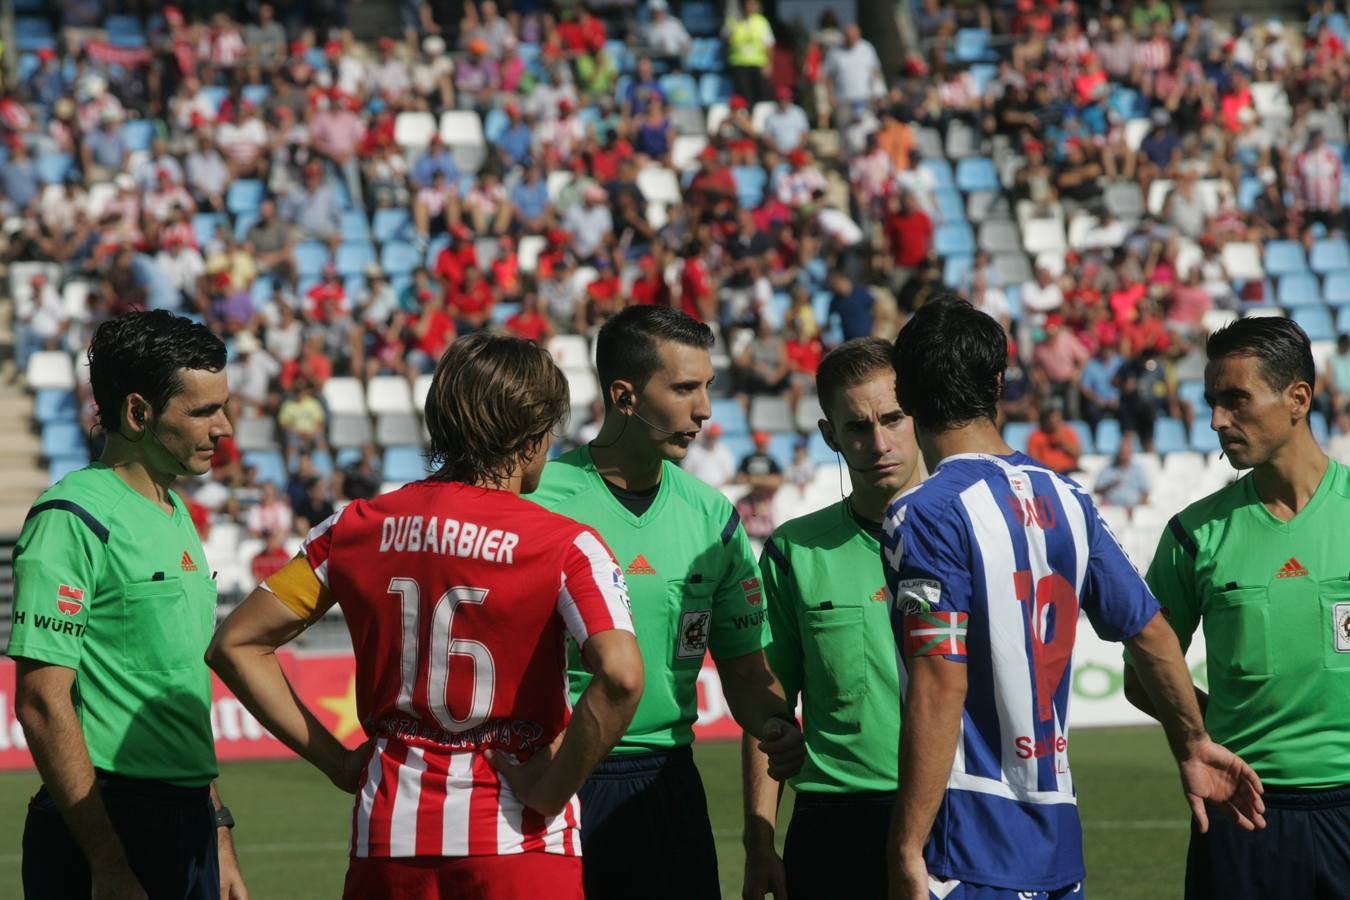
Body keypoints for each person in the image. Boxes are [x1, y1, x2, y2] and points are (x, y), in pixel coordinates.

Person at [207, 333, 644, 899]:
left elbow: (235, 644)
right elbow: (623, 675)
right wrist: (554, 789)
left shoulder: (355, 528)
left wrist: (340, 764)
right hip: (518, 839)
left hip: (388, 838)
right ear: (534, 435)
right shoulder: (565, 544)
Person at [884, 297, 1266, 899]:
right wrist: (1193, 743)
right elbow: (1151, 632)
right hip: (1056, 842)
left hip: (967, 843)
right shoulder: (1068, 497)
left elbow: (939, 680)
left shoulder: (923, 513)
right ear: (1000, 384)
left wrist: (906, 845)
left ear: (904, 395)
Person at [528, 305, 805, 900]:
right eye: (684, 389)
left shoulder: (712, 519)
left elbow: (748, 676)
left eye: (707, 387)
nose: (704, 409)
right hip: (557, 779)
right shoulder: (537, 502)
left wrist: (781, 727)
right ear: (624, 396)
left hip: (669, 786)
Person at [6, 310, 247, 899]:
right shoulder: (72, 518)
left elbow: (180, 691)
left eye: (223, 406)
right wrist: (108, 864)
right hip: (108, 824)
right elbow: (40, 701)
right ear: (138, 412)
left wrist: (216, 834)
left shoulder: (175, 511)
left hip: (186, 822)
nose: (226, 428)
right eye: (202, 412)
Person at [1124, 316, 1350, 899]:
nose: (1218, 420)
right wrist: (1204, 737)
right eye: (1212, 402)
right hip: (1244, 813)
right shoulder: (1193, 535)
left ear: (1297, 398)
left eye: (1236, 399)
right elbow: (1143, 673)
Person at [743, 339, 924, 900]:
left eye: (892, 418)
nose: (879, 442)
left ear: (919, 412)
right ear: (830, 437)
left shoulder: (974, 537)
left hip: (955, 807)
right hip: (833, 824)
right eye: (857, 428)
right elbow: (768, 710)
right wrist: (758, 845)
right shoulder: (795, 551)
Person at [1095, 439, 1151, 513]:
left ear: (1131, 453)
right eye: (1122, 452)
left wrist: (1137, 508)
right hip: (1111, 509)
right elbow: (1097, 490)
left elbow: (1145, 492)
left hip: (1133, 509)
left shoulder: (1138, 470)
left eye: (1126, 452)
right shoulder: (1108, 469)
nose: (1123, 454)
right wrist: (1111, 484)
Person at [1026, 406, 1082, 474]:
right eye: (1053, 417)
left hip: (1069, 471)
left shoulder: (1067, 432)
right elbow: (1033, 460)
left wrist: (1062, 441)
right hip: (1048, 473)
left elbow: (1077, 454)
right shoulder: (1036, 435)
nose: (1056, 421)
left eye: (1058, 418)